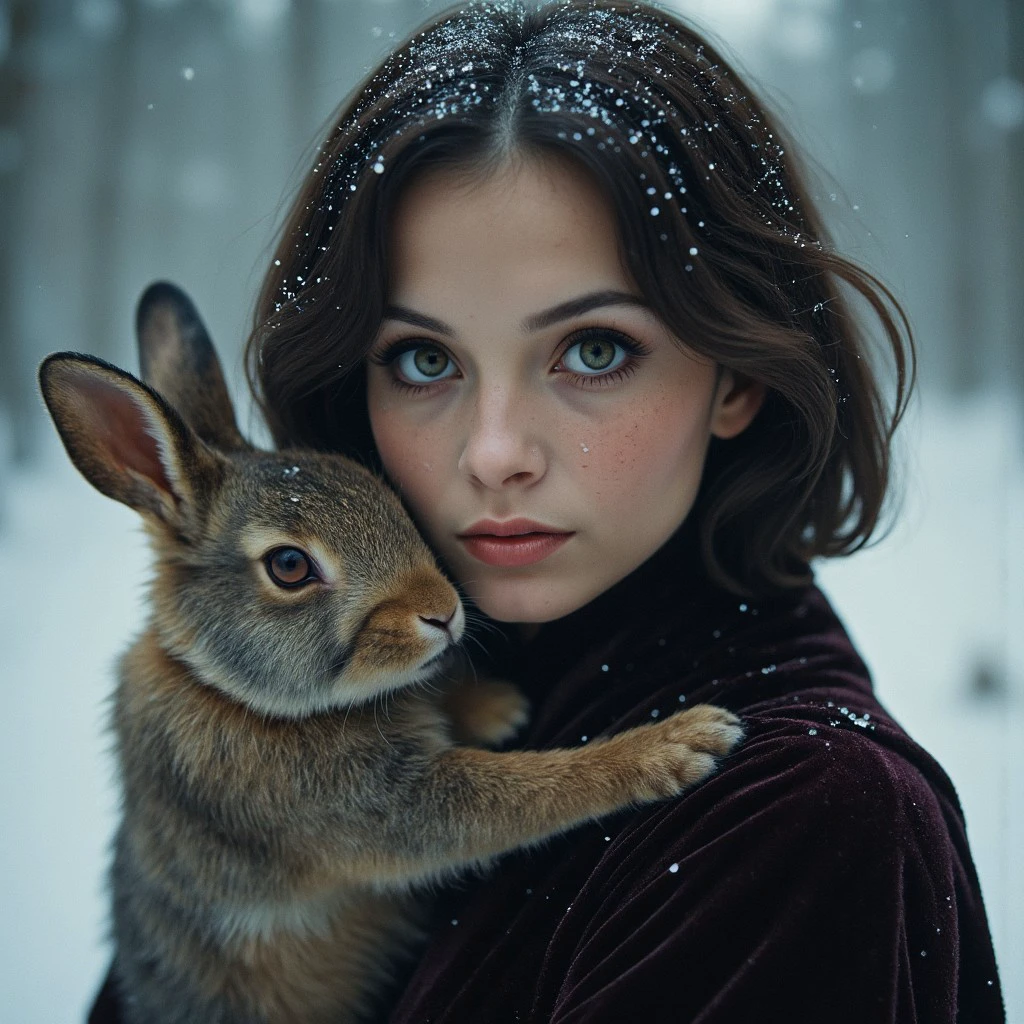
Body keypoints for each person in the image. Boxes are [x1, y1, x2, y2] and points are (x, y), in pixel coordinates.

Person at [89, 0, 1005, 1020]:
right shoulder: (364, 673)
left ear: (737, 374)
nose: (493, 454)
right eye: (423, 359)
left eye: (594, 350)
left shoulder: (803, 827)